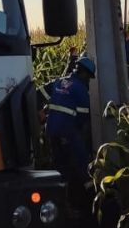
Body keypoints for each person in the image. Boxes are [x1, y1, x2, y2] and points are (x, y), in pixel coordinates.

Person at [38, 51, 95, 216]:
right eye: (89, 77)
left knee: (59, 168)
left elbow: (36, 94)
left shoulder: (59, 82)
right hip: (68, 133)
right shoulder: (80, 90)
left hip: (52, 132)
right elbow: (83, 118)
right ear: (83, 73)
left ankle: (60, 205)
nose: (88, 81)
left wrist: (39, 112)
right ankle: (87, 201)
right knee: (81, 163)